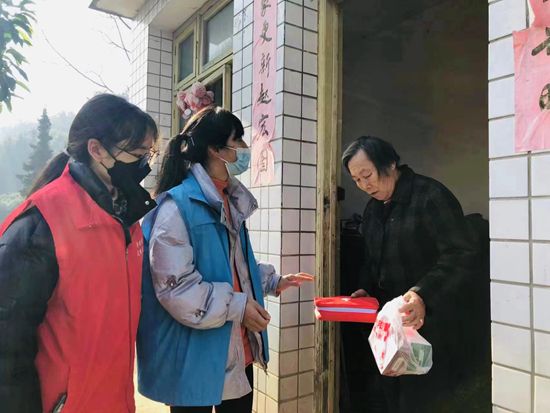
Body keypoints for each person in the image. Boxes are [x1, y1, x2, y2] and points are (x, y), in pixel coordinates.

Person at [137, 106, 313, 412]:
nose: (245, 148)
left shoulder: (230, 198)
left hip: (239, 351)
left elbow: (232, 265)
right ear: (216, 150)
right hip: (196, 358)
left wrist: (271, 281)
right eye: (238, 140)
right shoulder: (176, 208)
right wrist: (238, 306)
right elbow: (177, 289)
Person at [0, 94, 159, 412]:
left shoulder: (126, 218)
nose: (145, 165)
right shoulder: (42, 222)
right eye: (137, 154)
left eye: (150, 155)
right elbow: (7, 343)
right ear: (96, 149)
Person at [342, 136, 479, 413]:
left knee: (427, 400)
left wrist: (422, 293)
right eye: (356, 180)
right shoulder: (373, 208)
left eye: (367, 175)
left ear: (391, 164)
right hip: (391, 326)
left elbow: (461, 254)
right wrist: (366, 289)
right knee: (392, 397)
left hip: (433, 324)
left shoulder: (430, 196)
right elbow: (371, 259)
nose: (364, 185)